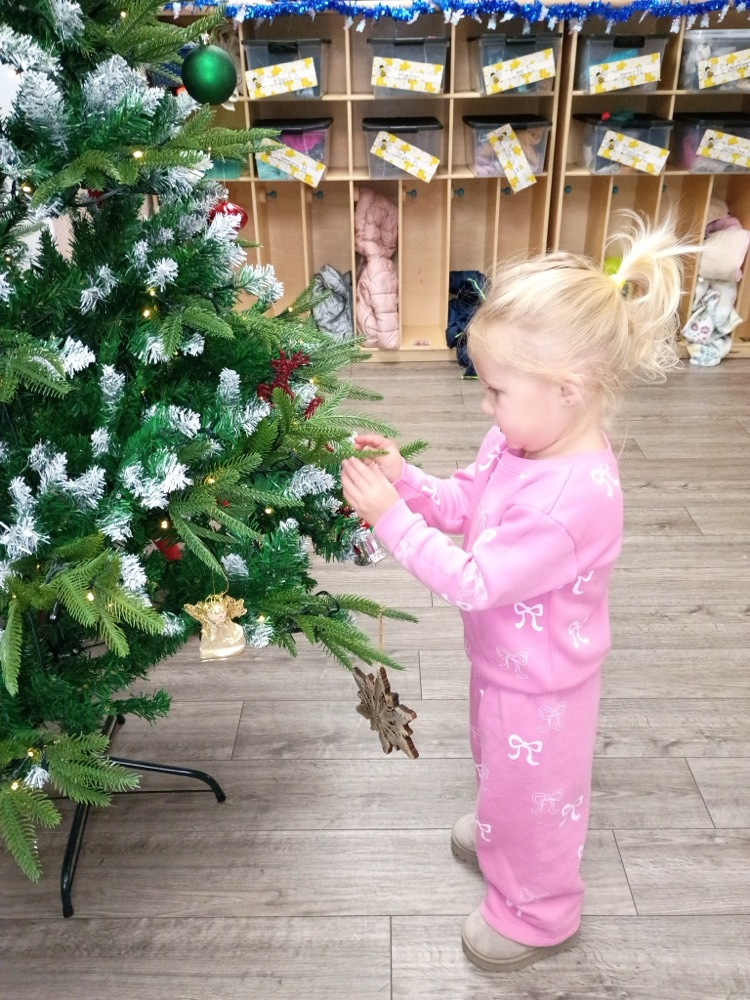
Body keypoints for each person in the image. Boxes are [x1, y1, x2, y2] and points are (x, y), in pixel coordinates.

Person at [341, 216, 692, 974]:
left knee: (537, 800)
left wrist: (389, 518)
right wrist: (411, 483)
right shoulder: (521, 438)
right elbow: (471, 501)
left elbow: (475, 581)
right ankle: (502, 828)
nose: (484, 406)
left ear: (569, 390)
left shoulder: (571, 501)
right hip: (506, 665)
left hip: (544, 688)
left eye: (496, 390)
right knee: (499, 768)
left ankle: (538, 915)